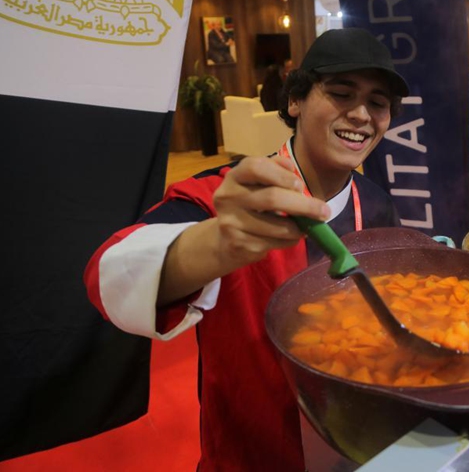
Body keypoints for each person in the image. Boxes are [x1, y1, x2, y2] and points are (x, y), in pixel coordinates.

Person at [84, 28, 408, 471]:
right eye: (340, 93)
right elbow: (108, 275)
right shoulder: (227, 196)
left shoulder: (377, 203)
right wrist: (217, 242)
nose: (361, 115)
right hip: (251, 451)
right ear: (295, 101)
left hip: (356, 442)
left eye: (378, 103)